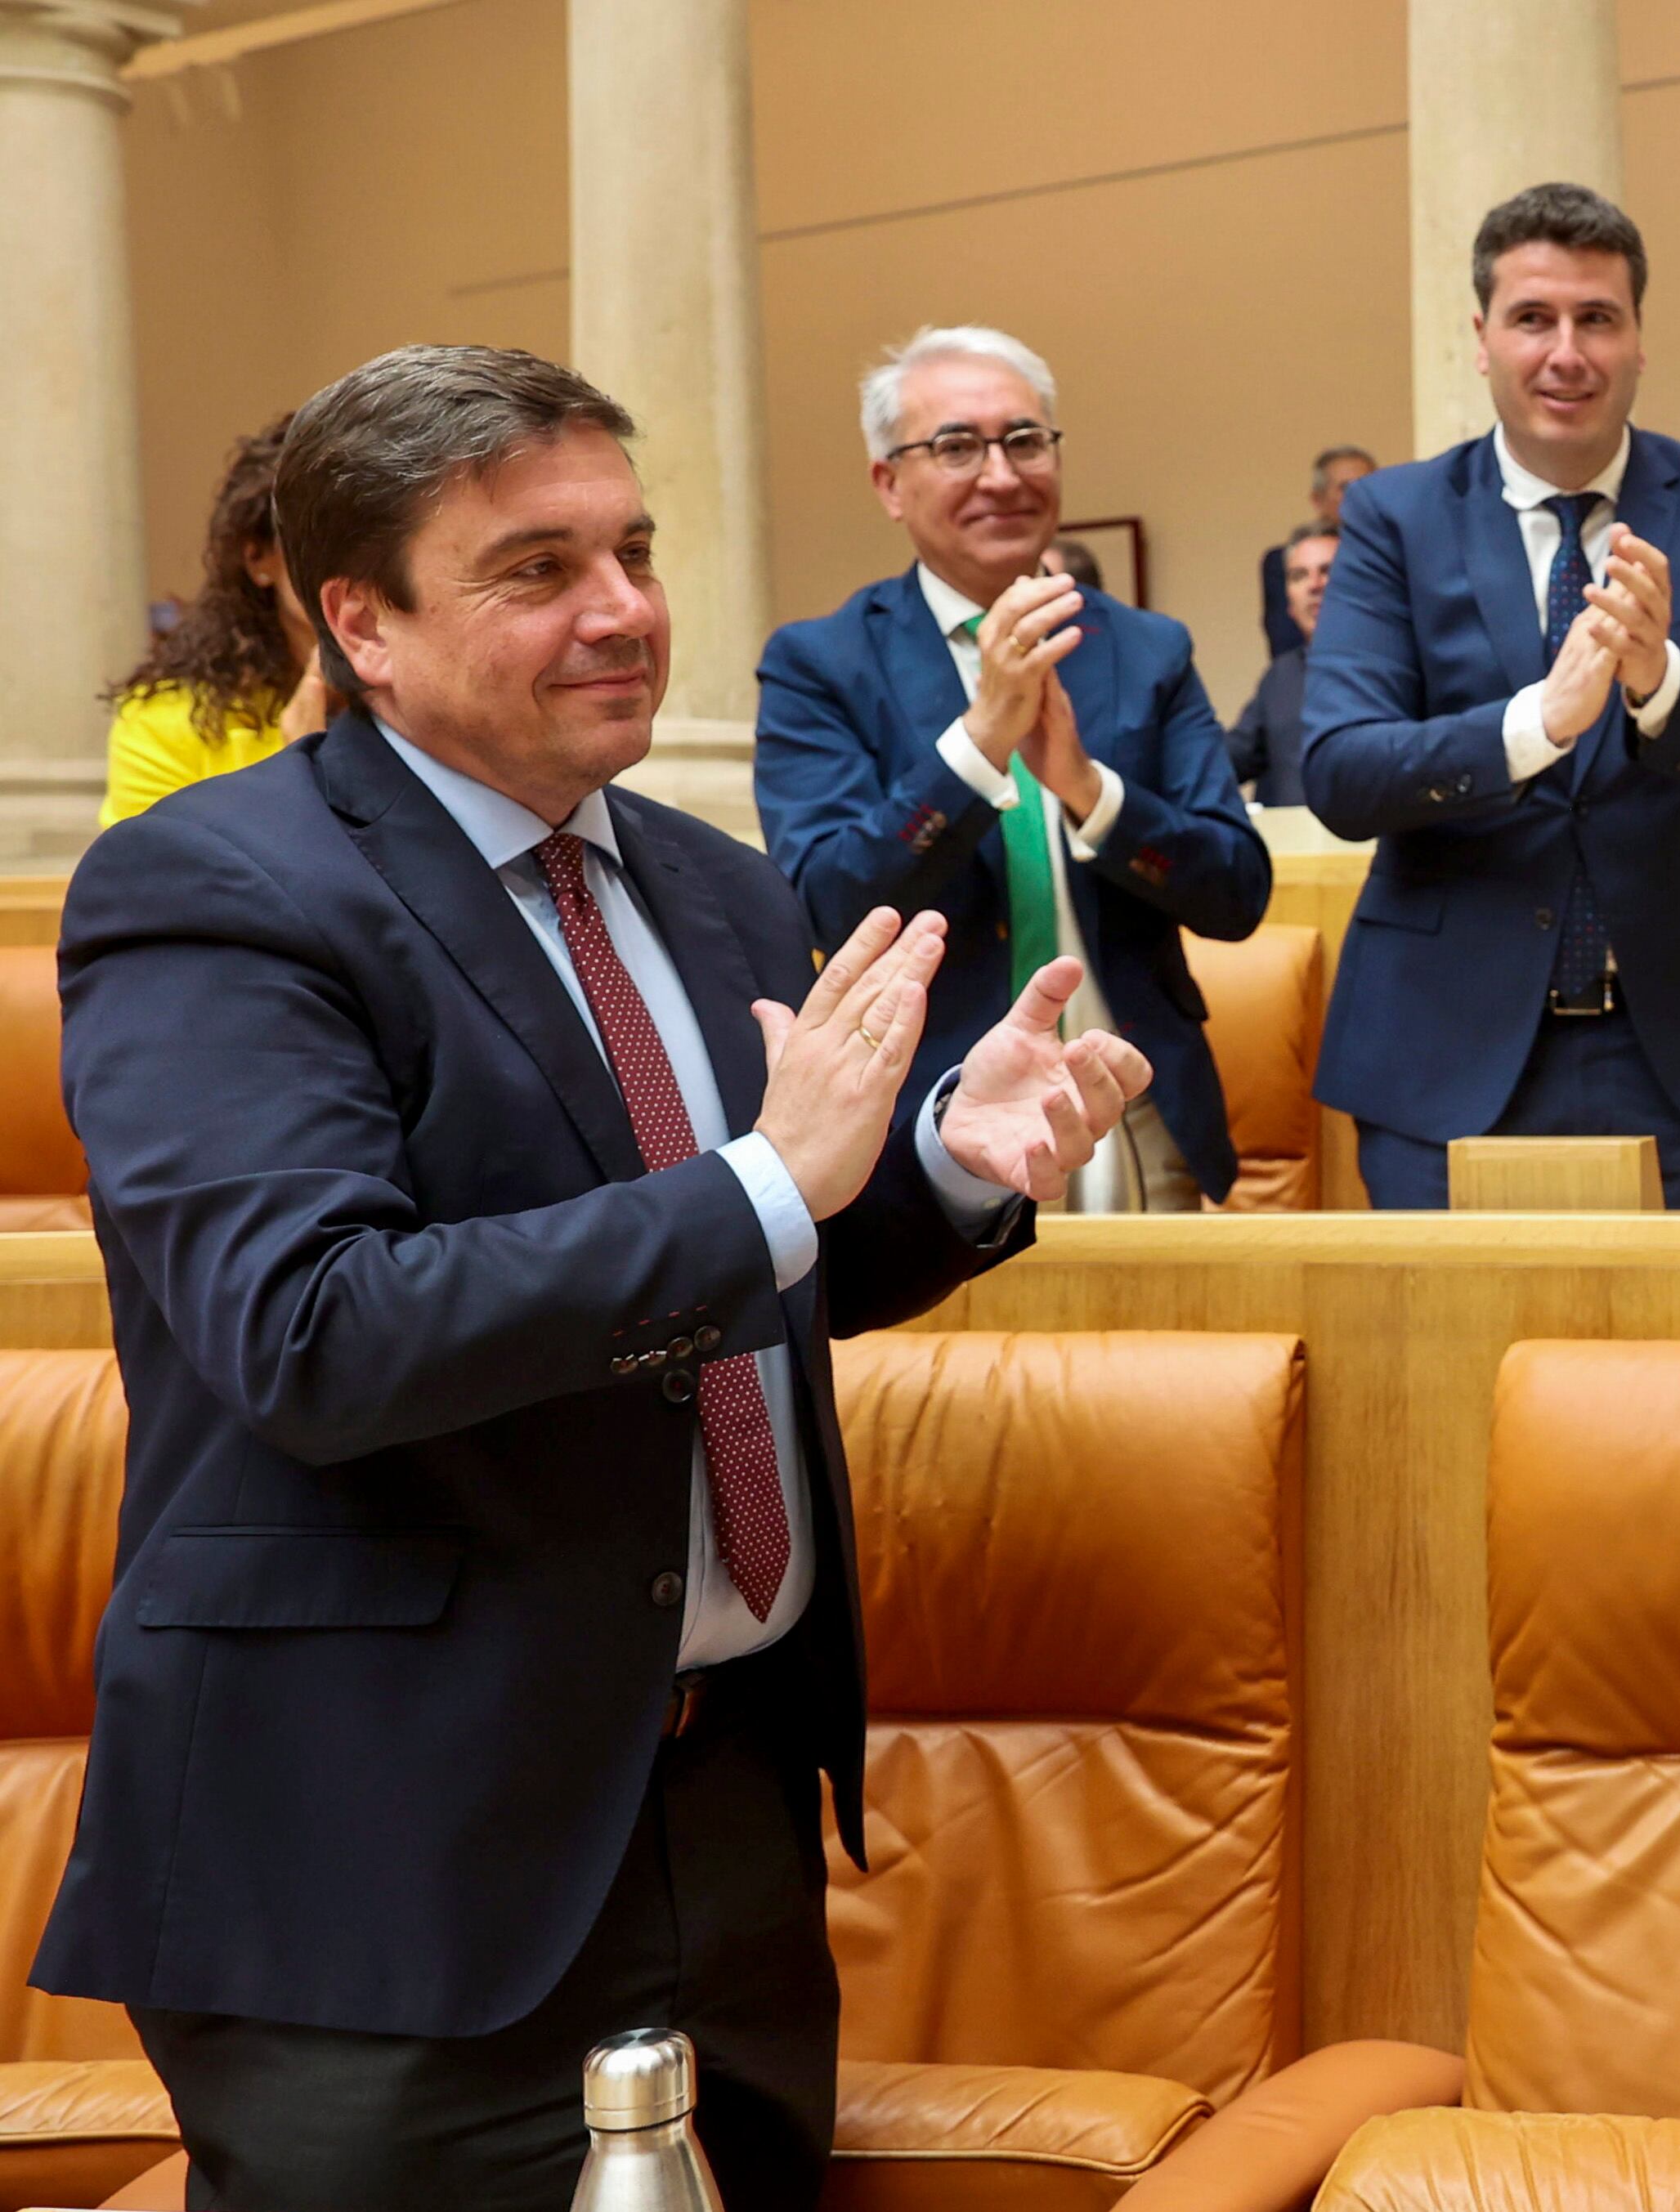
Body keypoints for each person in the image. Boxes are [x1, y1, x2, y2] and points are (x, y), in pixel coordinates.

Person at [36, 344, 1145, 2210]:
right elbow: (316, 1330)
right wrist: (764, 1182)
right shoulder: (211, 889)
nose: (625, 609)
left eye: (629, 550)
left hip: (719, 1819)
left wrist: (944, 1165)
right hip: (383, 1849)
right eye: (535, 570)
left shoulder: (713, 888)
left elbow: (746, 1270)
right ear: (363, 625)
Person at [1301, 181, 1680, 1211]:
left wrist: (1662, 680)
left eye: (1597, 318)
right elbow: (1340, 772)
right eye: (1532, 318)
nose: (1566, 352)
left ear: (1638, 339)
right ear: (1482, 337)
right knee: (1448, 1368)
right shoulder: (1391, 516)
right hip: (1443, 1049)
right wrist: (1530, 726)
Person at [755, 325, 1270, 1212]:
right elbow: (832, 904)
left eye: (1024, 440)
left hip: (1133, 1100)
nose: (1001, 474)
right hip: (931, 1122)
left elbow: (1235, 896)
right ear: (889, 481)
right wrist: (978, 743)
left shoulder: (1146, 650)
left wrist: (1087, 791)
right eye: (956, 446)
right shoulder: (821, 663)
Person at [98, 414, 338, 826]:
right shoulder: (167, 721)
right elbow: (156, 884)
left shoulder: (430, 687)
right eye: (325, 537)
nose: (357, 568)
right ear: (258, 558)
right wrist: (300, 770)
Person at [1230, 522, 1335, 804]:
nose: (1314, 585)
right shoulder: (1281, 676)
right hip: (1296, 846)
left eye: (1328, 571)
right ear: (1289, 604)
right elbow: (1232, 758)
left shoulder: (1401, 665)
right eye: (1299, 576)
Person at [1265, 444, 1375, 657]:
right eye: (1346, 488)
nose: (1362, 497)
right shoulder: (1285, 561)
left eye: (1368, 486)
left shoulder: (1398, 558)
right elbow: (1286, 643)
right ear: (1318, 500)